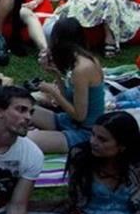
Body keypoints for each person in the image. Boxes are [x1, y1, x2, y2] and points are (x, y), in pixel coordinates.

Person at [28, 18, 105, 155]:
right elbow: (70, 103)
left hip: (85, 132)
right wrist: (56, 75)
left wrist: (53, 91)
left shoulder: (81, 69)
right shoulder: (80, 61)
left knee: (24, 140)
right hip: (69, 121)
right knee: (16, 109)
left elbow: (80, 116)